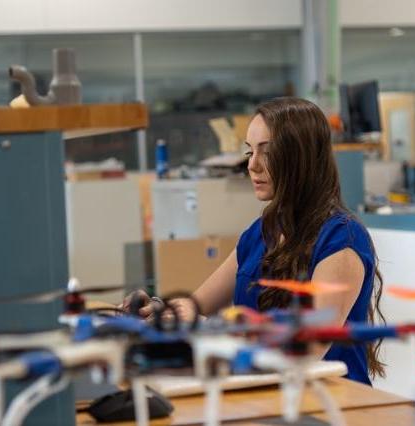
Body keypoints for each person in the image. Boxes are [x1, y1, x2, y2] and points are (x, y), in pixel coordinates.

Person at [122, 97, 384, 385]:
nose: (253, 165)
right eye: (249, 151)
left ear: (302, 157)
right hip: (265, 395)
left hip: (335, 403)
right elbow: (197, 305)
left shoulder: (341, 240)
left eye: (267, 152)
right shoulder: (261, 233)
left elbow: (306, 350)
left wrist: (215, 330)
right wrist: (161, 310)